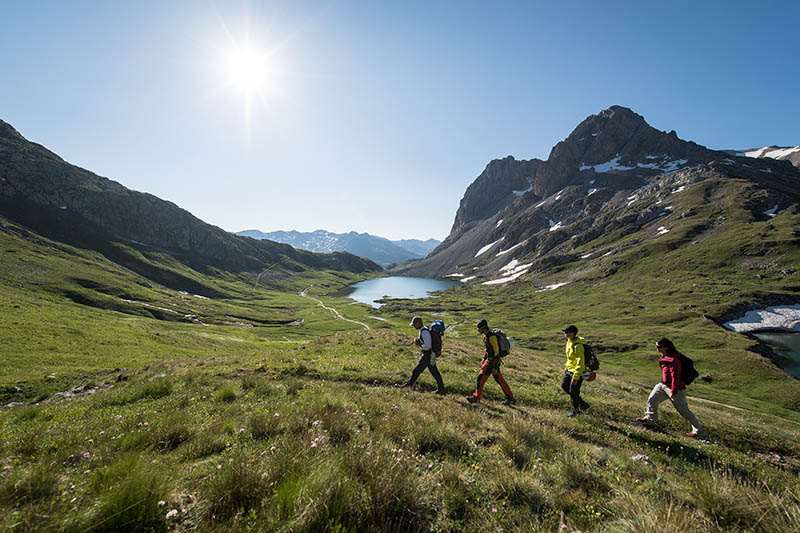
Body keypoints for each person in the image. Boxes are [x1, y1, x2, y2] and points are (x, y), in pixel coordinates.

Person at [636, 338, 708, 439]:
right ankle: (650, 420)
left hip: (675, 388)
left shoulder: (673, 360)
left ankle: (700, 432)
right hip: (663, 385)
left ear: (666, 348)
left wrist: (674, 390)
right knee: (652, 399)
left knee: (683, 411)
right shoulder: (665, 356)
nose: (656, 348)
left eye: (658, 347)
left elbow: (676, 376)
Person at [466, 319, 516, 405]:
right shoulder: (486, 336)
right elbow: (488, 350)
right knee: (500, 380)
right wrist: (484, 358)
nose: (479, 331)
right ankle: (511, 399)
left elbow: (496, 352)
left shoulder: (491, 337)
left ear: (483, 328)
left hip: (492, 362)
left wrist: (494, 367)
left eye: (479, 330)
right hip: (491, 361)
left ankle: (476, 397)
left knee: (480, 378)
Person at [400, 316, 446, 394]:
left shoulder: (424, 332)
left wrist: (420, 344)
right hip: (430, 355)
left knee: (416, 371)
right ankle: (441, 390)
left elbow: (428, 346)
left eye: (414, 324)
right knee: (435, 373)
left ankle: (408, 385)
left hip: (427, 355)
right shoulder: (424, 330)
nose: (414, 326)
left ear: (419, 323)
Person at [561, 325, 591, 417]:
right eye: (565, 332)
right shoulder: (569, 342)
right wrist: (566, 366)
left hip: (577, 372)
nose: (565, 333)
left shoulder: (578, 345)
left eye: (567, 332)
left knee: (574, 391)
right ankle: (582, 404)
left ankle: (576, 412)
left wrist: (576, 376)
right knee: (564, 386)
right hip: (570, 370)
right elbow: (570, 358)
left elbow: (580, 362)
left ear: (573, 333)